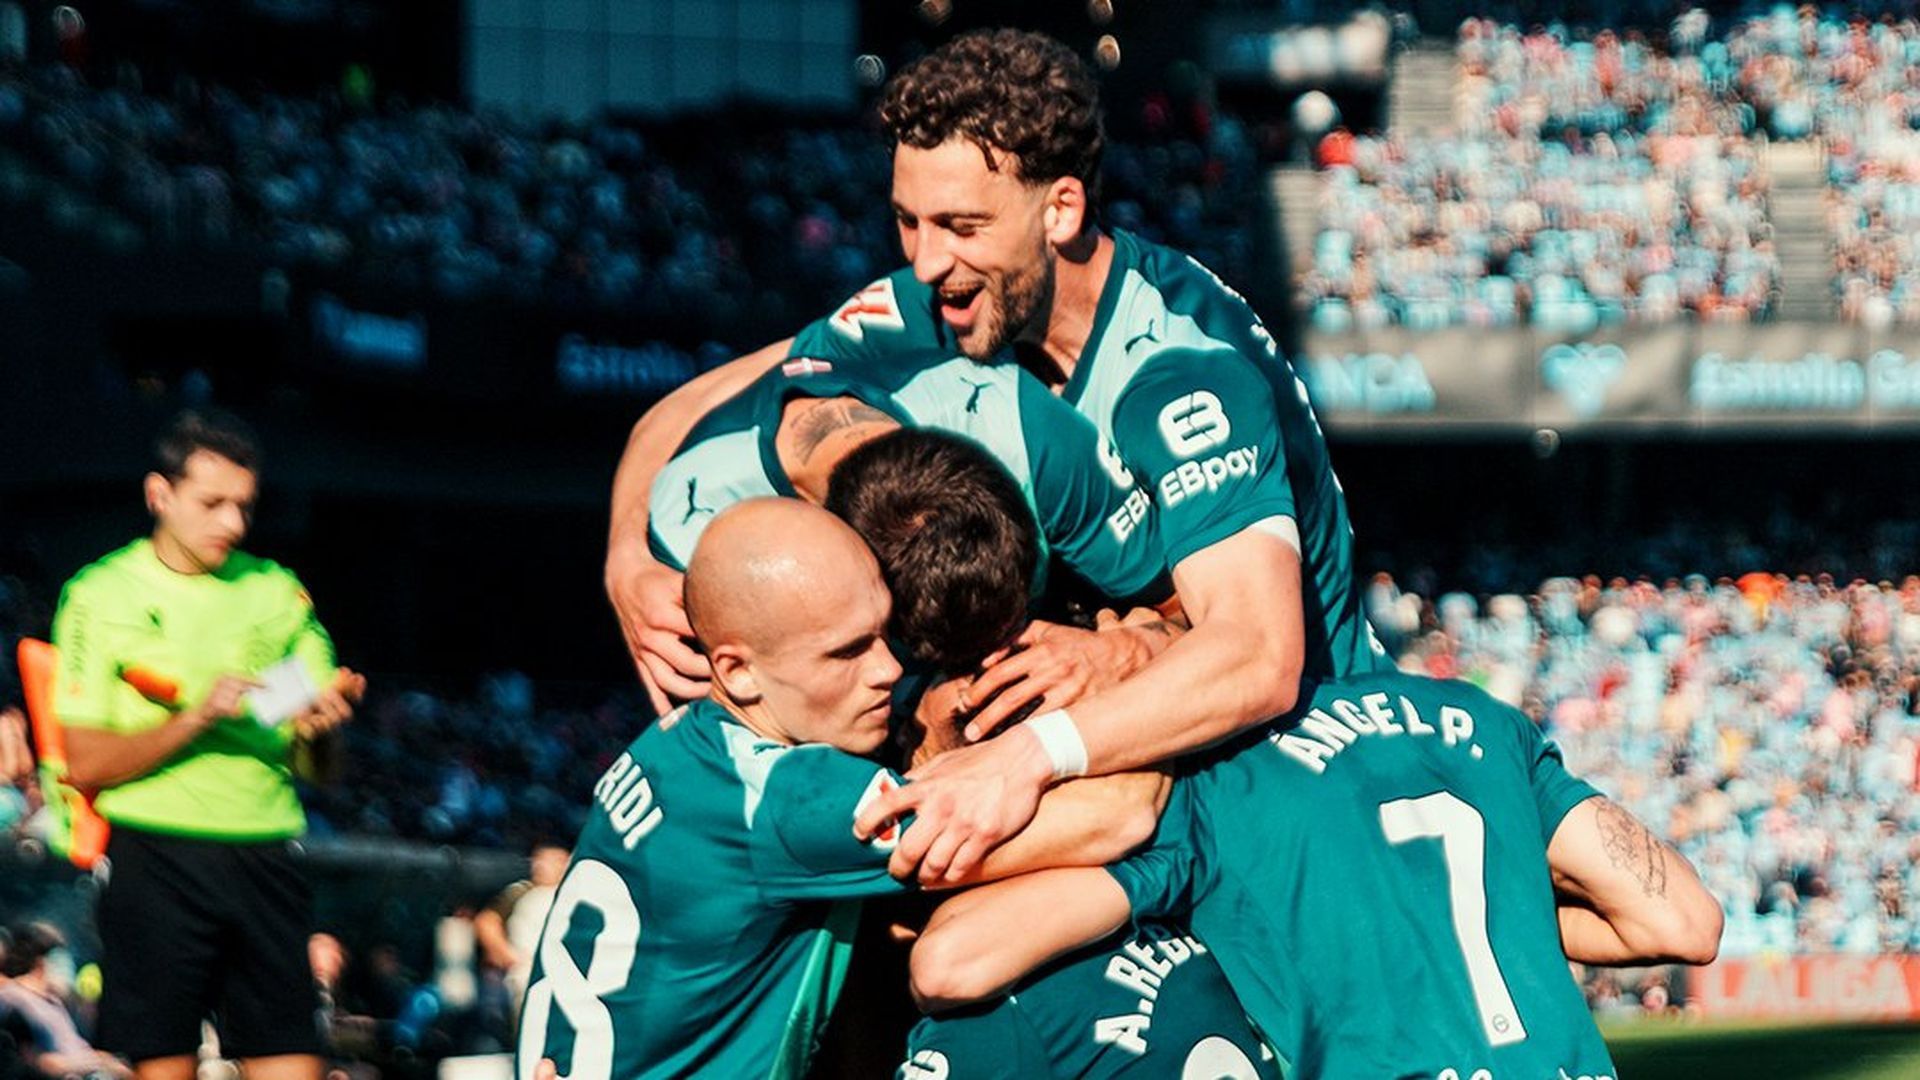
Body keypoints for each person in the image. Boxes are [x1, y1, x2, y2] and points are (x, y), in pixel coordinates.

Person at [608, 28, 1385, 882]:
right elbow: (692, 405)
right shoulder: (931, 305)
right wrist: (625, 560)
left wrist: (1051, 733)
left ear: (1060, 210)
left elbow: (1257, 658)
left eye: (961, 225)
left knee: (936, 947)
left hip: (1298, 764)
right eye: (908, 221)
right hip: (1120, 747)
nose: (928, 260)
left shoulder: (1176, 367)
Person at [516, 499, 1164, 1079]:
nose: (888, 669)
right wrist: (1145, 665)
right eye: (846, 652)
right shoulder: (797, 804)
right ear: (737, 671)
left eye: (885, 634)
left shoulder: (671, 745)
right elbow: (1116, 817)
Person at [909, 671, 1725, 1079]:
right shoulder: (1481, 718)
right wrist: (1437, 916)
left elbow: (957, 961)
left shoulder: (1208, 781)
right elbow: (1681, 923)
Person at [49, 409, 365, 1080]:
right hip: (153, 860)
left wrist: (327, 727)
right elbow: (84, 762)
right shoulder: (99, 595)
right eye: (212, 503)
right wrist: (196, 717)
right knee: (164, 1066)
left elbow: (324, 771)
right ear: (159, 495)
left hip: (266, 856)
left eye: (244, 506)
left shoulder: (276, 594)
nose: (232, 523)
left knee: (293, 1063)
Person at [0, 921, 130, 1080]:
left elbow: (76, 1049)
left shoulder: (54, 1002)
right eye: (59, 959)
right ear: (41, 963)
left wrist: (106, 1061)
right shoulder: (14, 1000)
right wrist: (97, 1064)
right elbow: (34, 1062)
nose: (65, 966)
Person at [473, 840, 569, 1022]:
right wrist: (508, 955)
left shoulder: (574, 893)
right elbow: (486, 922)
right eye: (537, 860)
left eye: (550, 861)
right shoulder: (520, 892)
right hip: (528, 976)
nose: (540, 866)